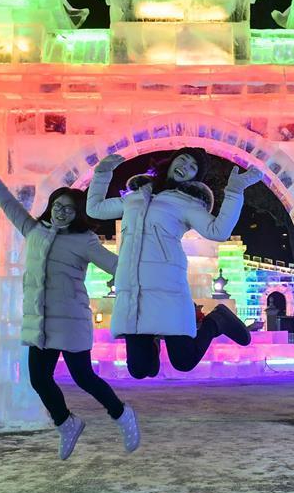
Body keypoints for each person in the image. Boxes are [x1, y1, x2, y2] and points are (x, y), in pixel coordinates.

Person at [0, 166, 139, 460]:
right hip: (41, 322)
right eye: (58, 206)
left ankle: (122, 414)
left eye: (69, 208)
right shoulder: (33, 230)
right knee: (39, 379)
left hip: (71, 320)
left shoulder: (85, 240)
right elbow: (8, 203)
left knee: (84, 377)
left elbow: (118, 267)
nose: (62, 212)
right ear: (51, 206)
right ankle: (66, 422)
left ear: (77, 213)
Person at [87, 148, 262, 379]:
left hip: (167, 288)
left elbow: (218, 231)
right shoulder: (135, 197)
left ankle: (216, 321)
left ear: (194, 177)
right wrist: (102, 172)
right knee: (140, 370)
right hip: (133, 290)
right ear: (171, 162)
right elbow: (95, 209)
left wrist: (234, 192)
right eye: (183, 160)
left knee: (184, 361)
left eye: (192, 167)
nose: (185, 167)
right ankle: (153, 343)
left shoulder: (187, 203)